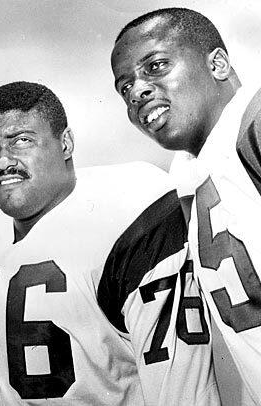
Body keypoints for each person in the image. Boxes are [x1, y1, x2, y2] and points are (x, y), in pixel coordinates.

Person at [0, 81, 219, 405]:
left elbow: (182, 390)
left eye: (22, 141)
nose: (3, 162)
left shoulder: (129, 210)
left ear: (66, 143)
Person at [111, 7, 261, 403]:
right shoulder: (192, 173)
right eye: (125, 87)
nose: (138, 91)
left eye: (156, 66)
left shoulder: (255, 121)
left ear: (218, 63)